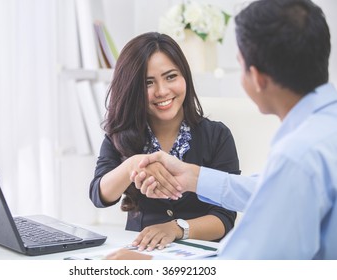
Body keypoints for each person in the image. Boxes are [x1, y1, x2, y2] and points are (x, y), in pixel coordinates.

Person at [106, 0, 337, 260]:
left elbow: (245, 265)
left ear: (257, 78)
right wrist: (192, 177)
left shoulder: (297, 156)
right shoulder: (323, 133)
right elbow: (267, 189)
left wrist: (154, 267)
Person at [90, 32, 241, 251]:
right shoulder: (120, 135)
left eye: (171, 77)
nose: (162, 91)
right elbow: (99, 195)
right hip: (143, 254)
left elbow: (225, 217)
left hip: (200, 256)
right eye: (148, 82)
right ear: (132, 88)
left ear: (185, 77)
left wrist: (176, 228)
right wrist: (134, 164)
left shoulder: (217, 135)